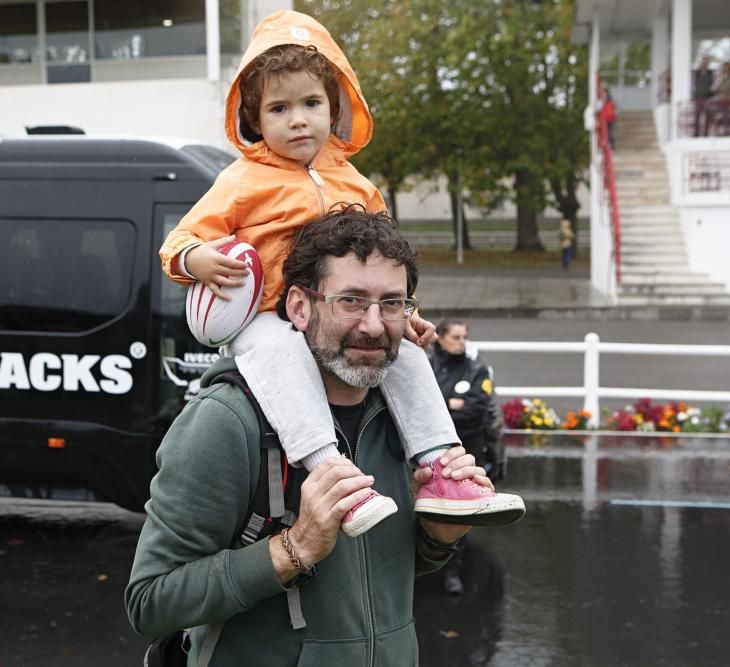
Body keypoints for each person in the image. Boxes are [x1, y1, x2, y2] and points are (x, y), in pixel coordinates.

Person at [158, 10, 518, 536]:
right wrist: (196, 260)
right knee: (282, 355)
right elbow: (179, 242)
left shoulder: (355, 181)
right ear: (255, 119)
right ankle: (332, 476)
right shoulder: (241, 180)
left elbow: (389, 259)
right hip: (265, 315)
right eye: (279, 108)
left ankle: (442, 467)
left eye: (311, 103)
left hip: (340, 311)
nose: (298, 119)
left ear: (334, 107)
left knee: (409, 356)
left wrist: (405, 313)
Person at [128, 209, 507, 665]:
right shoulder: (226, 421)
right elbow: (150, 601)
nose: (373, 324)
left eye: (391, 303)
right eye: (350, 300)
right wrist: (294, 549)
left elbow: (368, 578)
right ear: (299, 307)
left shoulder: (404, 420)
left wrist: (437, 538)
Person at [428, 319, 499, 596]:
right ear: (441, 338)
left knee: (461, 511)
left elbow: (478, 409)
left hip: (469, 449)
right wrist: (452, 403)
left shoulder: (477, 369)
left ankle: (453, 570)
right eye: (455, 337)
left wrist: (443, 404)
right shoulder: (429, 368)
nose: (461, 342)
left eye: (464, 337)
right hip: (434, 449)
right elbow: (420, 407)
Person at [707, 62, 730, 136]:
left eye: (726, 67)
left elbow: (727, 87)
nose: (724, 68)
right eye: (724, 67)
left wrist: (719, 88)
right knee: (723, 113)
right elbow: (715, 87)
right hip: (721, 98)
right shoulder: (722, 76)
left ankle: (728, 131)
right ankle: (722, 129)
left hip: (728, 98)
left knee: (727, 114)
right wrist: (717, 87)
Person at [693, 57, 714, 137]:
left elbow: (712, 84)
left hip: (707, 97)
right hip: (698, 97)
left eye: (706, 62)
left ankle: (706, 134)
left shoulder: (710, 73)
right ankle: (696, 134)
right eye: (703, 62)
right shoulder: (697, 73)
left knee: (707, 116)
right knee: (697, 115)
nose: (704, 64)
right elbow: (694, 84)